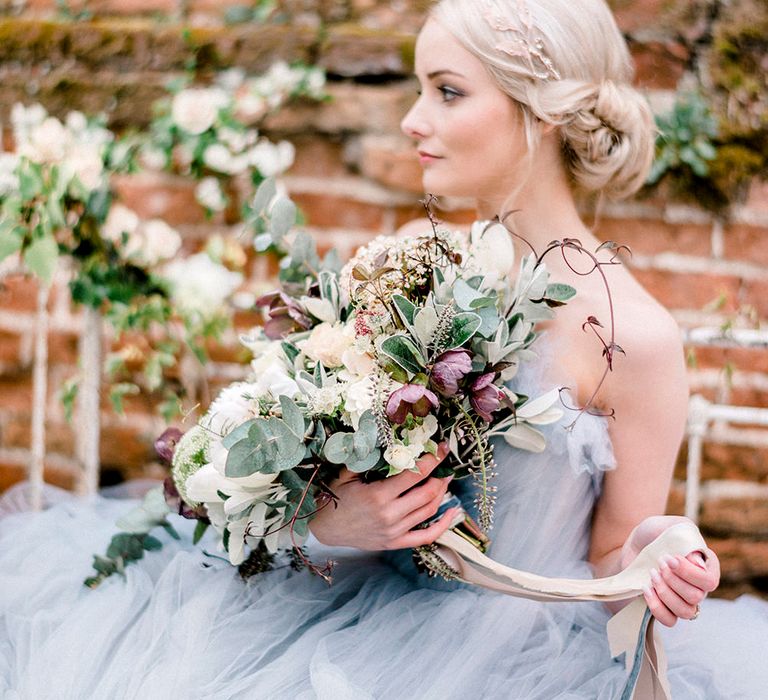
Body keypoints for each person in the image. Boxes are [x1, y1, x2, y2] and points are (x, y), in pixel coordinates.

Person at [0, 1, 766, 698]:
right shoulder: (410, 259)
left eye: (447, 91)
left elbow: (609, 559)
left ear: (542, 113)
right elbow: (308, 466)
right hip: (334, 610)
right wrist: (332, 521)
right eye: (416, 89)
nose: (411, 120)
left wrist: (669, 545)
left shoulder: (636, 337)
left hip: (508, 657)